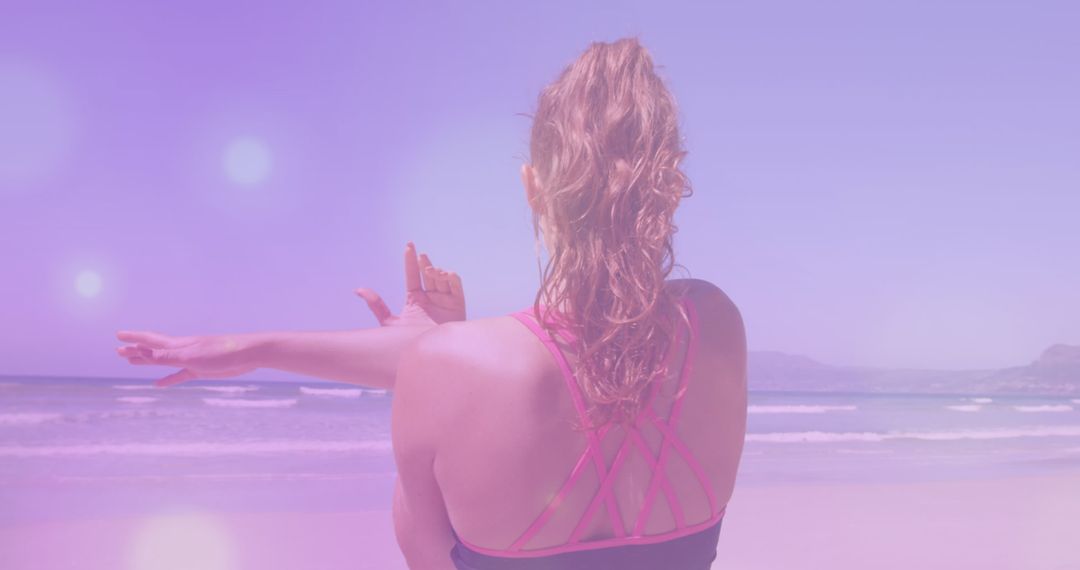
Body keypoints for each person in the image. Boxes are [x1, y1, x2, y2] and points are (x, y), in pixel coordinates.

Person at [390, 38, 747, 569]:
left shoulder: (441, 363)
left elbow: (427, 558)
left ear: (532, 186)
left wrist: (430, 357)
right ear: (671, 184)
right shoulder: (716, 325)